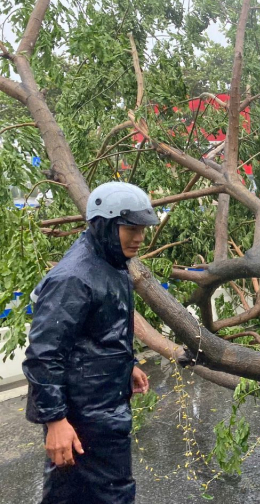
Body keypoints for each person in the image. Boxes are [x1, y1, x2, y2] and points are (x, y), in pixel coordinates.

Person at [23, 182, 160, 503]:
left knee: (91, 494)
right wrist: (55, 421)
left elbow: (103, 329)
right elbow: (43, 355)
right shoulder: (73, 278)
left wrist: (128, 365)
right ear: (106, 224)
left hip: (106, 410)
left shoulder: (112, 264)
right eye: (131, 228)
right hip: (82, 419)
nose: (140, 237)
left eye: (143, 228)